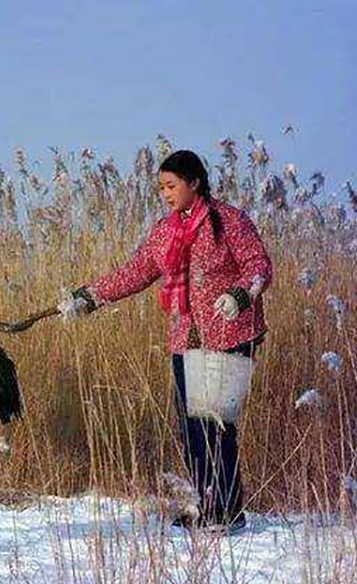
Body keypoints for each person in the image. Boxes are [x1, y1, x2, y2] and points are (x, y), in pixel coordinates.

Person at [62, 149, 272, 530]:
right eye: (160, 187)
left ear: (194, 183)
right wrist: (91, 296)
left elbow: (259, 266)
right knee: (192, 429)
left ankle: (225, 512)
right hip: (184, 338)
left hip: (228, 334)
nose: (165, 193)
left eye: (171, 185)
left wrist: (240, 295)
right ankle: (210, 506)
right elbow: (137, 271)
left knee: (216, 425)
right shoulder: (166, 230)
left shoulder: (229, 222)